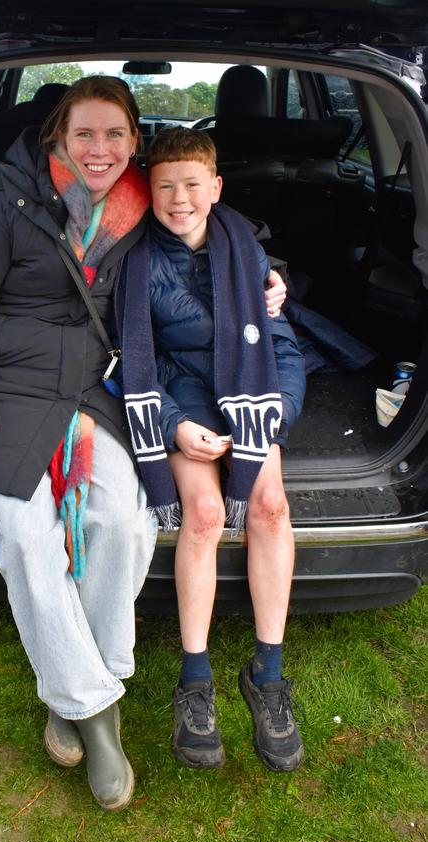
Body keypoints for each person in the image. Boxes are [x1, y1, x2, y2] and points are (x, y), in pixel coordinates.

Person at [0, 77, 288, 811]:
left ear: (135, 141)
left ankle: (76, 678)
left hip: (103, 392)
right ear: (56, 137)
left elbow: (212, 226)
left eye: (116, 135)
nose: (100, 150)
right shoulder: (4, 205)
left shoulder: (142, 206)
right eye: (85, 134)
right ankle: (94, 711)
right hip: (12, 393)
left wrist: (268, 271)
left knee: (125, 524)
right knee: (27, 538)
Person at [122, 126, 306, 772]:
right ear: (148, 189)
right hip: (183, 399)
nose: (179, 199)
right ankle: (194, 681)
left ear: (216, 187)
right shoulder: (135, 259)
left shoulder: (246, 251)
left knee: (271, 504)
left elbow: (281, 345)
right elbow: (128, 362)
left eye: (192, 185)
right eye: (165, 185)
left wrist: (276, 409)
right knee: (201, 514)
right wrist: (173, 425)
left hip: (249, 391)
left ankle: (268, 673)